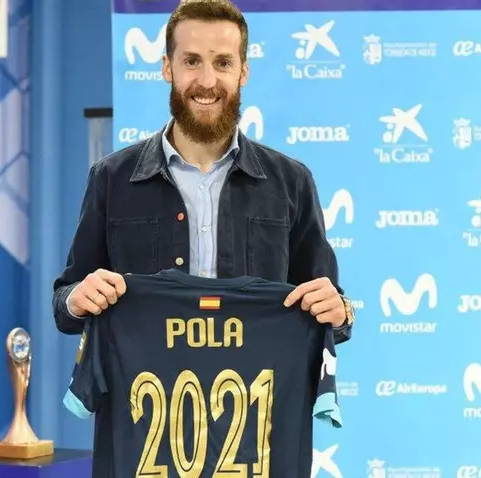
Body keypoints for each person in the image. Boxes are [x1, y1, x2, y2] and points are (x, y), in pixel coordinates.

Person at [52, 0, 355, 344]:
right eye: (191, 61)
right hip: (144, 379)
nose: (207, 81)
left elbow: (329, 309)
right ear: (167, 68)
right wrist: (76, 299)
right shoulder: (111, 177)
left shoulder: (291, 182)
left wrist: (340, 312)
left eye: (223, 63)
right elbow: (66, 304)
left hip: (259, 378)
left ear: (243, 72)